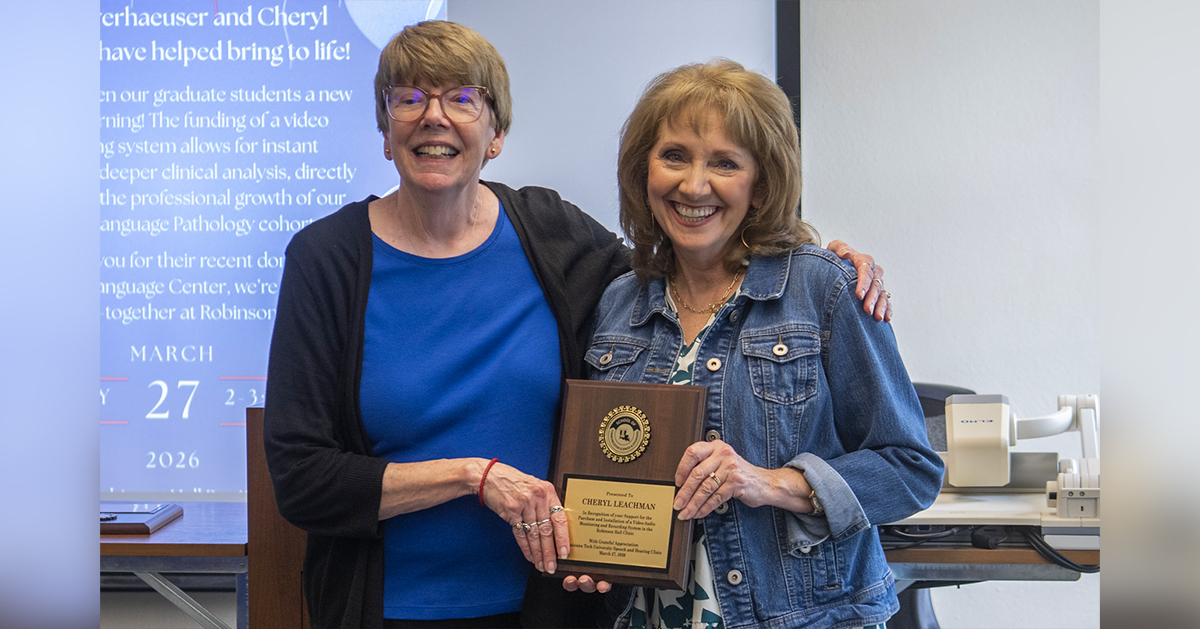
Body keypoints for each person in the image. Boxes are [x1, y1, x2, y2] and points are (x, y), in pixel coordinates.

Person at [264, 21, 890, 629]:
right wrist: (473, 477)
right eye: (408, 99)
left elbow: (696, 266)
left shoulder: (551, 233)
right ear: (384, 129)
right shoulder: (328, 259)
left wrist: (818, 259)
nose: (434, 116)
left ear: (496, 133)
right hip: (384, 607)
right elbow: (300, 478)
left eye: (462, 98)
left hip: (546, 604)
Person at [564, 60, 943, 629]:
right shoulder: (619, 302)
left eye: (724, 163)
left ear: (760, 184)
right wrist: (596, 551)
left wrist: (772, 483)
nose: (694, 185)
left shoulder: (823, 288)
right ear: (643, 171)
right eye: (674, 156)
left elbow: (910, 468)